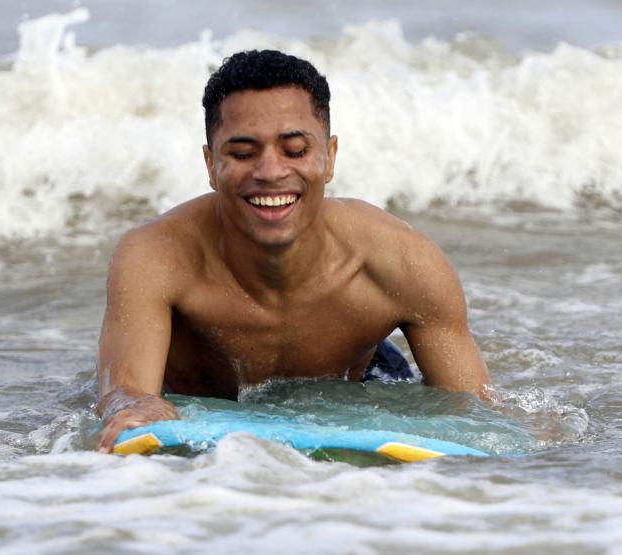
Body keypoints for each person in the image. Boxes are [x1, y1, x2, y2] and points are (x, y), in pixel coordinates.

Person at [94, 50, 491, 452]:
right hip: (193, 396)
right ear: (211, 164)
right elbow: (125, 396)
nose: (270, 172)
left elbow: (480, 415)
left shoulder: (404, 262)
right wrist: (137, 405)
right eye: (243, 154)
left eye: (296, 150)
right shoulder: (155, 257)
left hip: (358, 384)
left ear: (330, 157)